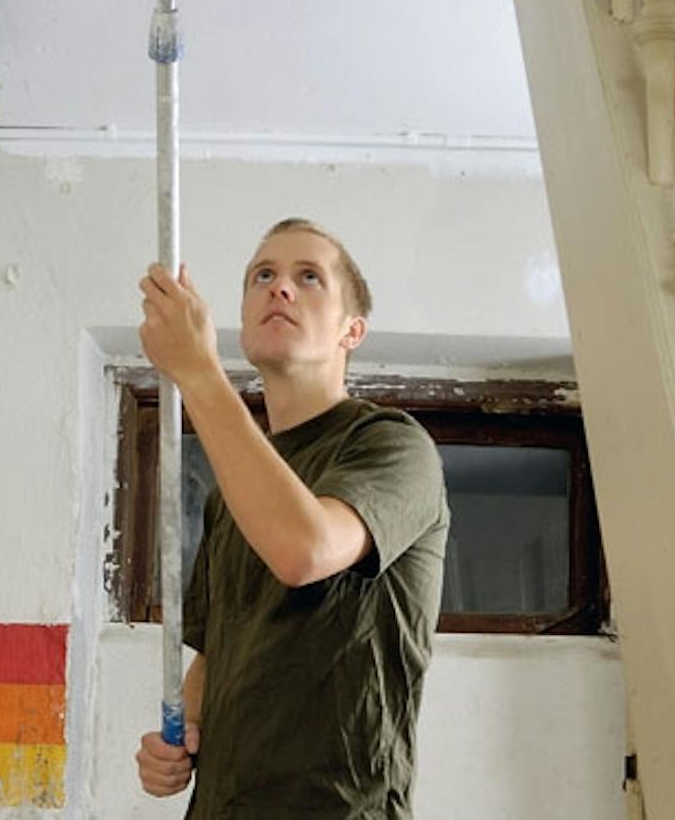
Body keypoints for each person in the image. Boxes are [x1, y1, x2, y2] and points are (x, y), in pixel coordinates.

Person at [133, 217, 449, 818]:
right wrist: (180, 735)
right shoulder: (231, 493)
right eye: (263, 275)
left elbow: (305, 551)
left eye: (309, 277)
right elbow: (219, 648)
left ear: (352, 330)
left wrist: (198, 372)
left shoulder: (391, 445)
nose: (280, 287)